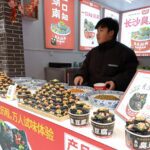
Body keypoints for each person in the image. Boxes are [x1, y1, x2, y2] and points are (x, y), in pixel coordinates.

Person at [74, 17, 138, 91]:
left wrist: (116, 82)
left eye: (101, 31)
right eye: (97, 31)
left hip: (113, 95)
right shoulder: (93, 52)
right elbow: (84, 68)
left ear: (111, 33)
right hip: (90, 94)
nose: (97, 35)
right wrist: (80, 75)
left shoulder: (126, 52)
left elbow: (129, 74)